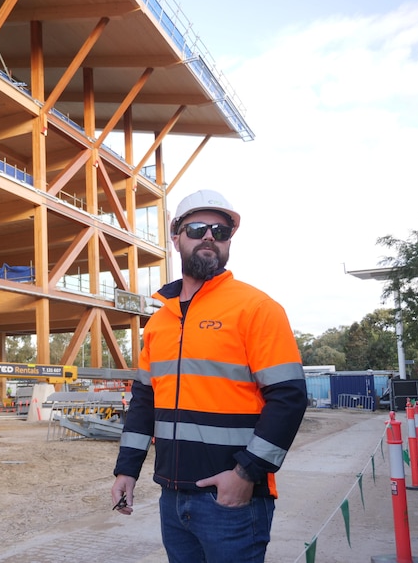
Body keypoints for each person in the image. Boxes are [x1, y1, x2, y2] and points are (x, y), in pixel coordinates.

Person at [111, 188, 308, 563]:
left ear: (229, 241)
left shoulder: (257, 308)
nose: (209, 237)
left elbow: (289, 397)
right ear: (175, 237)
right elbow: (143, 402)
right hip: (172, 499)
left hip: (233, 502)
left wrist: (246, 474)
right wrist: (127, 470)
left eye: (221, 232)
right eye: (198, 228)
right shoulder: (159, 323)